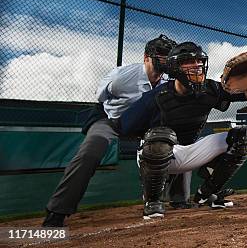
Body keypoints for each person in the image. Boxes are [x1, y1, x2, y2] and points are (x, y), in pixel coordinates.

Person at [43, 35, 176, 227]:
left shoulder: (169, 81)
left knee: (173, 141)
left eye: (169, 56)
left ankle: (178, 199)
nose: (165, 60)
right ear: (146, 57)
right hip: (110, 120)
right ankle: (57, 211)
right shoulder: (121, 76)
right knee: (89, 153)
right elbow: (101, 97)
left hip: (143, 124)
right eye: (161, 55)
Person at [119, 42, 247, 220]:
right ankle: (153, 201)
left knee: (243, 136)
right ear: (175, 67)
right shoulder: (157, 97)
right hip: (158, 154)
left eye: (199, 61)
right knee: (161, 137)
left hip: (189, 151)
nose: (197, 65)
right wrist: (150, 140)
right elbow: (125, 127)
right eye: (189, 62)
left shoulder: (210, 89)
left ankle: (207, 193)